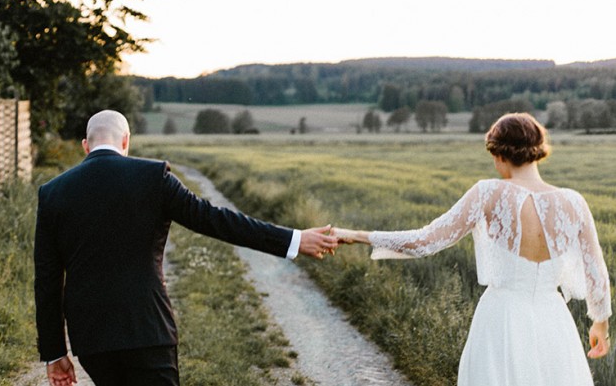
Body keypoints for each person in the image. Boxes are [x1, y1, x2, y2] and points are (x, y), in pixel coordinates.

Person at [34, 110, 338, 386]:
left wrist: (55, 353)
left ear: (85, 146)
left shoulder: (52, 193)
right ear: (126, 141)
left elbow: (47, 281)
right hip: (148, 330)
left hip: (92, 340)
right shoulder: (153, 178)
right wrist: (294, 239)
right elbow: (216, 220)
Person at [333, 113, 611, 385]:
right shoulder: (575, 202)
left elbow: (425, 241)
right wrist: (601, 323)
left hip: (501, 319)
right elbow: (595, 269)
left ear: (500, 154)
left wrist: (358, 235)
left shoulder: (488, 193)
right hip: (554, 322)